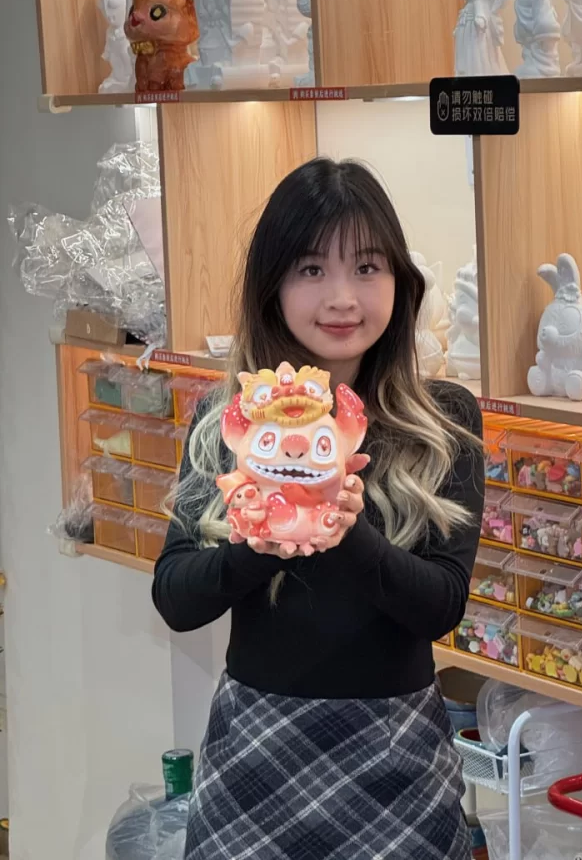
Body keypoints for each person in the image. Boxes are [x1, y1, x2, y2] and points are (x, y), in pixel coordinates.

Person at [152, 157, 485, 860]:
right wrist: (257, 545)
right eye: (311, 269)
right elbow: (176, 598)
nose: (342, 298)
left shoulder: (444, 420)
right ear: (272, 285)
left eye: (367, 267)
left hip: (398, 758)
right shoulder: (228, 419)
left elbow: (441, 607)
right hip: (256, 749)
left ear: (400, 280)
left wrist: (346, 529)